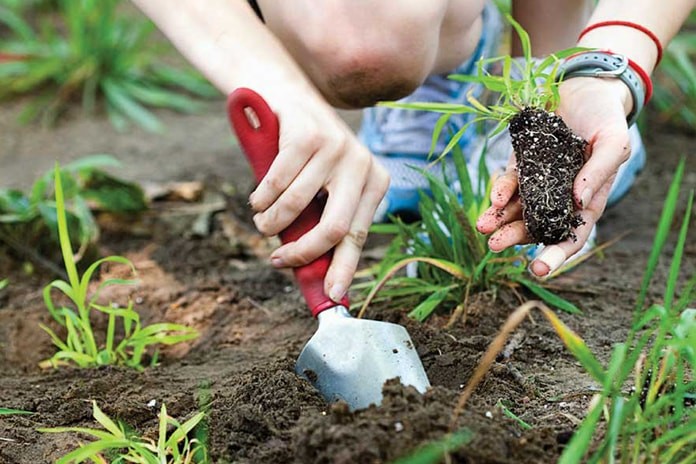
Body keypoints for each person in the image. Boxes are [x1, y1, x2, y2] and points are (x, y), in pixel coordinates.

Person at [132, 0, 694, 303]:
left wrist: (605, 68)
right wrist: (276, 87)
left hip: (578, 64)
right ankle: (438, 74)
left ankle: (548, 75)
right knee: (361, 40)